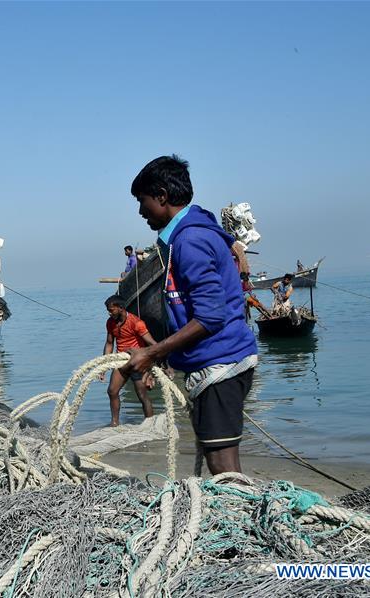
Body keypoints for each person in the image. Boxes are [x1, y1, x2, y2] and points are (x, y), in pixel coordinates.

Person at [123, 155, 258, 476]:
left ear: (161, 196)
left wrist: (153, 352)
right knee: (219, 461)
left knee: (223, 468)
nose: (140, 211)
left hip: (221, 365)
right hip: (218, 364)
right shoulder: (192, 235)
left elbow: (210, 317)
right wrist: (166, 358)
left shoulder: (190, 241)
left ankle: (236, 520)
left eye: (142, 201)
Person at [101, 295, 157, 426]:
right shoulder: (110, 322)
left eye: (111, 310)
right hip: (121, 362)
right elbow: (109, 343)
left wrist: (151, 370)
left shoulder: (136, 323)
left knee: (142, 395)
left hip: (137, 362)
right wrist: (103, 366)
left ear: (121, 308)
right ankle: (114, 423)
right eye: (108, 310)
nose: (110, 313)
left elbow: (153, 345)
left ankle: (150, 424)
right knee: (112, 391)